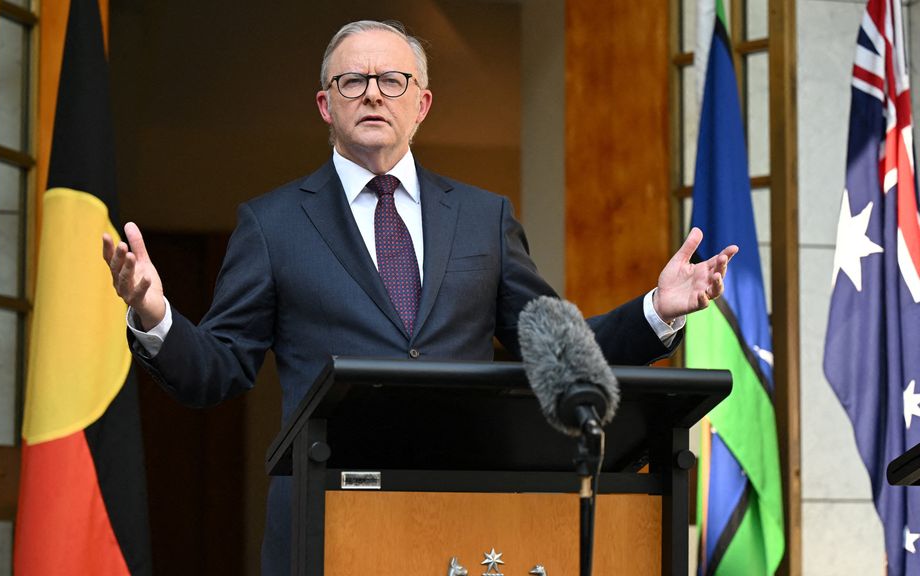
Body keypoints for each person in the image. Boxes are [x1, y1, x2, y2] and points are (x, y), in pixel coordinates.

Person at [102, 20, 736, 575]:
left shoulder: (484, 218)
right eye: (353, 81)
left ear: (423, 102)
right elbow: (216, 370)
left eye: (393, 80)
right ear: (325, 105)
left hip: (461, 515)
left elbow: (559, 348)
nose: (374, 92)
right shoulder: (272, 226)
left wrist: (657, 308)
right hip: (324, 520)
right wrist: (154, 314)